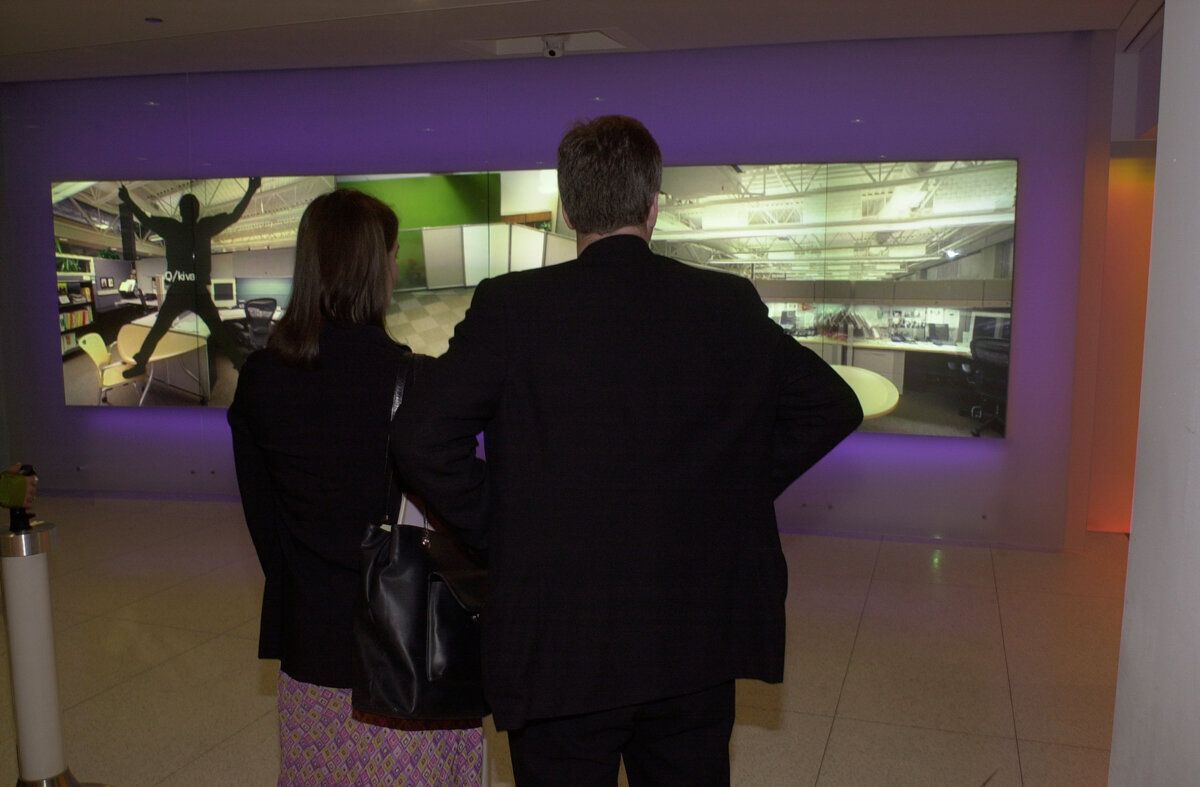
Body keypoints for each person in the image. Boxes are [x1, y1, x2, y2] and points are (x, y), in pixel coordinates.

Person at [392, 115, 864, 785]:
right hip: (693, 634)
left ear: (566, 208)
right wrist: (729, 489)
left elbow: (420, 437)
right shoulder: (724, 303)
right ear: (653, 206)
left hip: (560, 640)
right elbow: (831, 405)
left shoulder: (515, 307)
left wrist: (503, 524)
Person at [228, 189, 483, 785]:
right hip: (407, 648)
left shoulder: (261, 379)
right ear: (377, 266)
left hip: (311, 639)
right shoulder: (416, 381)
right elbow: (462, 515)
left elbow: (262, 519)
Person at [120, 178, 261, 378]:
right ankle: (240, 364)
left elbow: (144, 218)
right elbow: (234, 216)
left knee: (159, 328)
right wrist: (250, 190)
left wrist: (127, 200)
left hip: (178, 290)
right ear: (197, 211)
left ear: (180, 211)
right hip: (198, 291)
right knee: (218, 331)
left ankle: (141, 362)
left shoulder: (171, 227)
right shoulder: (205, 226)